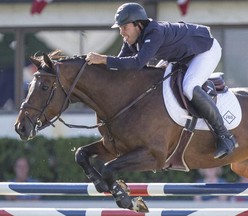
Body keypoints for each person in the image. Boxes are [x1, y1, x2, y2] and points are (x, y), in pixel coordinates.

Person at [85, 2, 238, 159]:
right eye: (120, 28)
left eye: (125, 27)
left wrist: (103, 58)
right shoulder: (132, 39)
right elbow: (121, 65)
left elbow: (138, 63)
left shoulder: (154, 32)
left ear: (138, 24)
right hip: (182, 56)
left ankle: (225, 136)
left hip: (205, 50)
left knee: (189, 87)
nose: (122, 32)